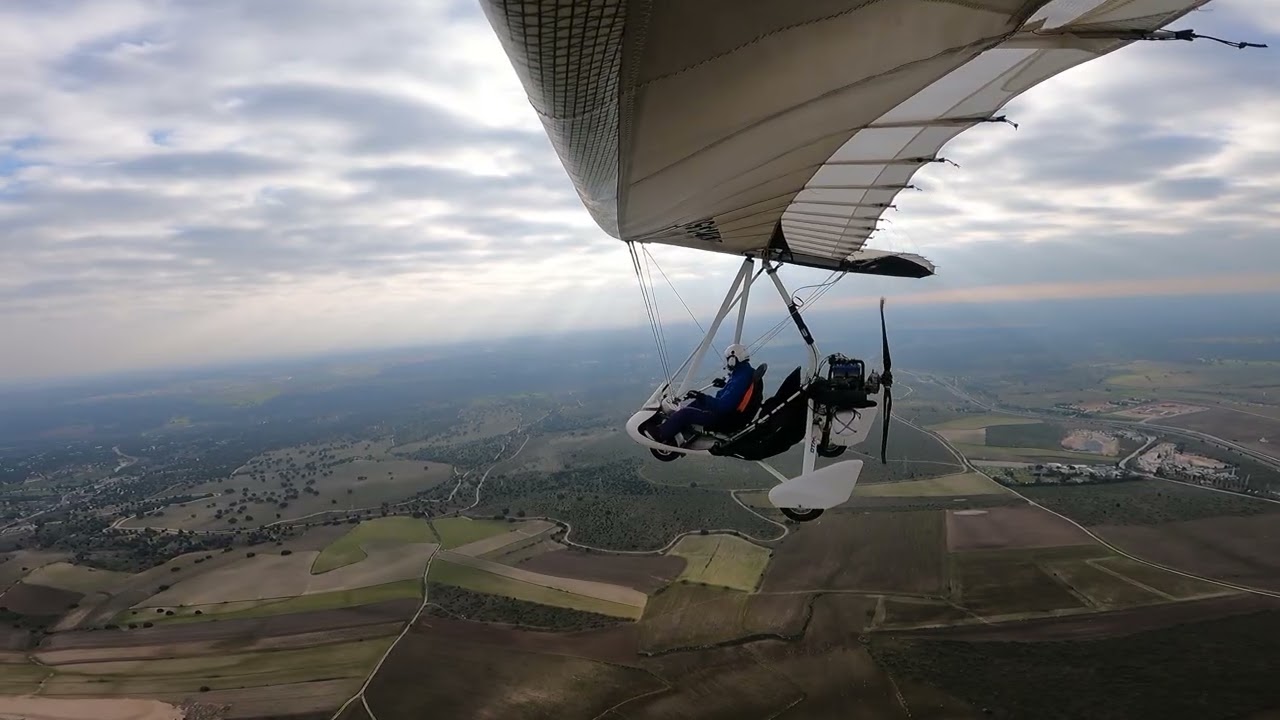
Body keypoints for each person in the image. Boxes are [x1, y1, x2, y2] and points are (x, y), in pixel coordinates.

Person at [652, 344, 755, 446]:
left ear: (733, 359)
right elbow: (736, 391)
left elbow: (724, 406)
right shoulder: (745, 372)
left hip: (724, 419)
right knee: (697, 403)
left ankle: (661, 434)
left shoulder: (740, 378)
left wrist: (702, 397)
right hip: (731, 416)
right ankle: (675, 425)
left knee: (686, 413)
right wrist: (724, 384)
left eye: (728, 359)